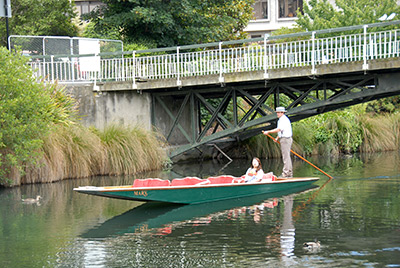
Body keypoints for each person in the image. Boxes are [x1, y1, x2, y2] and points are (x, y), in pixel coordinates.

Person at [262, 107, 293, 178]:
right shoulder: (281, 120)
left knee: (286, 157)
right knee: (286, 156)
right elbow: (282, 130)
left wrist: (268, 131)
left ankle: (286, 174)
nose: (277, 114)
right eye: (277, 112)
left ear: (282, 112)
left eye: (278, 112)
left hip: (286, 139)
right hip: (284, 139)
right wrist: (277, 138)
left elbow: (279, 129)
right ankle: (289, 173)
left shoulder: (283, 120)